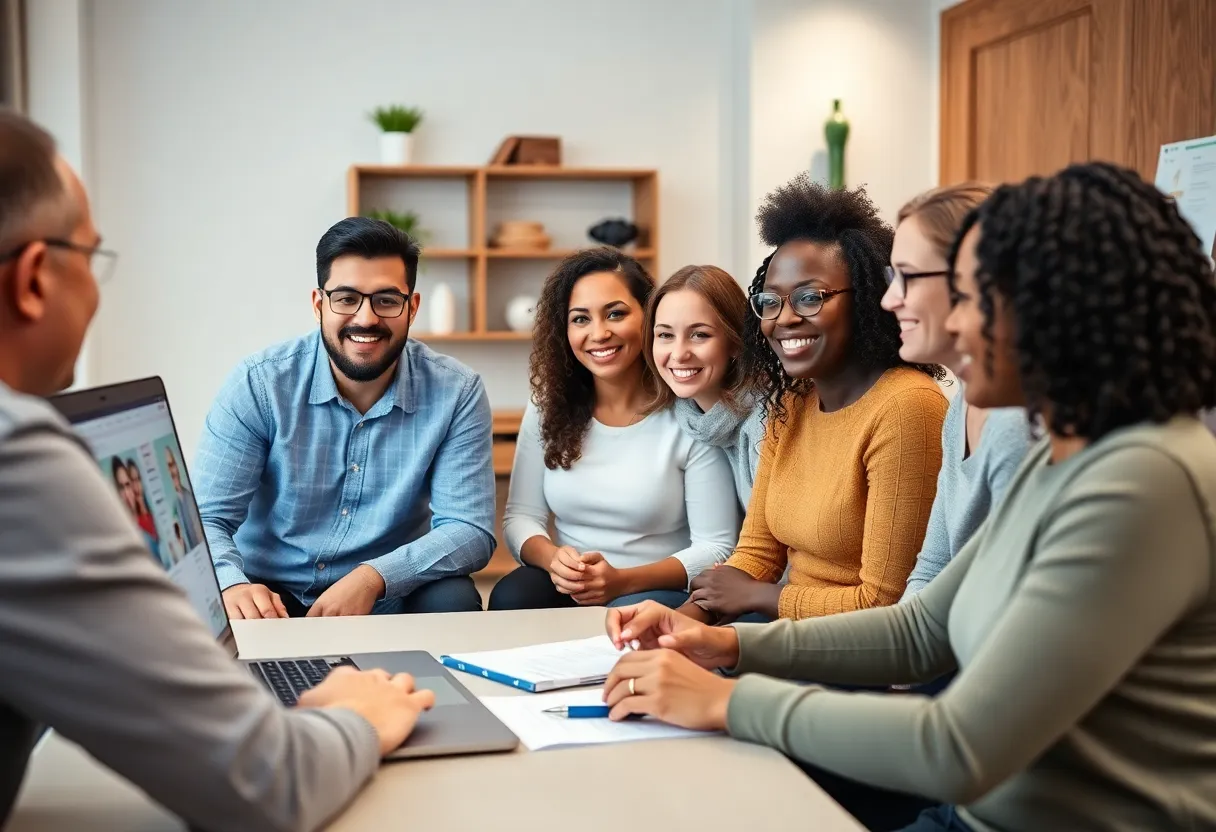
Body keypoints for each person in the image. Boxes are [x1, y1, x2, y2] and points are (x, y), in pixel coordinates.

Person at [602, 161, 1216, 832]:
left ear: (1057, 305)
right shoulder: (1063, 453)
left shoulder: (1141, 481)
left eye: (971, 296)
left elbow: (960, 746)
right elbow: (922, 627)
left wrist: (724, 703)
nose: (917, 310)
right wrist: (729, 650)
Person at [0, 110, 435, 831]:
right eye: (92, 257)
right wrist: (359, 714)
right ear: (37, 279)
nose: (366, 315)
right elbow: (268, 784)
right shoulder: (18, 460)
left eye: (385, 299)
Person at [194, 216, 494, 620]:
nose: (366, 319)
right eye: (346, 298)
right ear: (319, 304)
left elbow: (469, 529)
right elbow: (207, 518)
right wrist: (231, 582)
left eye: (386, 300)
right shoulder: (259, 383)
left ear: (412, 307)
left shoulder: (456, 391)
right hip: (270, 596)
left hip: (386, 597)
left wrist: (372, 578)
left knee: (453, 598)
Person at [683, 176, 948, 623]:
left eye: (810, 298)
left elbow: (885, 604)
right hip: (787, 627)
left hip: (856, 650)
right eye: (771, 301)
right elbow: (757, 553)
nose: (784, 319)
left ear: (866, 299)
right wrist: (684, 621)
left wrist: (759, 599)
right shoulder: (792, 403)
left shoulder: (907, 407)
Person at [489, 248, 739, 611]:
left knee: (625, 613)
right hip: (574, 583)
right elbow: (521, 517)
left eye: (616, 314)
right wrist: (554, 560)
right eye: (580, 319)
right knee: (514, 595)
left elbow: (716, 547)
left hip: (657, 585)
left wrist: (620, 581)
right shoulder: (547, 405)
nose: (599, 333)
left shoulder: (690, 409)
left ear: (649, 316)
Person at [880, 183, 1034, 598]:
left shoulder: (1017, 424)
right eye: (892, 277)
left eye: (908, 277)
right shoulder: (962, 402)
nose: (888, 300)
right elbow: (931, 571)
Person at [644, 264, 764, 511]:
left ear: (735, 343)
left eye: (699, 335)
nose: (678, 354)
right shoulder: (688, 417)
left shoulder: (765, 424)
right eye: (665, 335)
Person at [164, 445, 204, 551]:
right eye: (167, 468)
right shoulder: (172, 510)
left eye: (172, 465)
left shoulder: (191, 496)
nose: (171, 473)